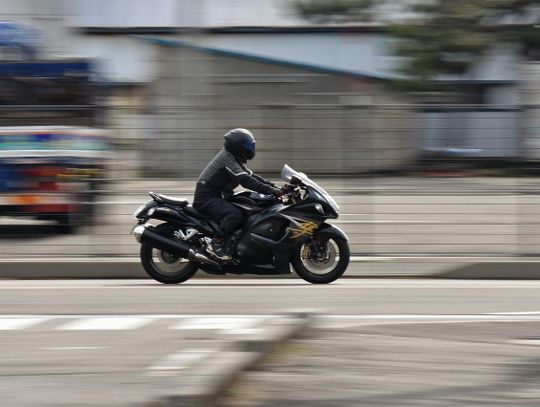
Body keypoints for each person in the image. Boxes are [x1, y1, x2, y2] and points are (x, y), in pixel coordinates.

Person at [193, 128, 282, 260]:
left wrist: (274, 187)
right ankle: (216, 243)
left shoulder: (235, 159)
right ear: (238, 147)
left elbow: (253, 176)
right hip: (207, 197)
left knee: (248, 206)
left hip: (218, 195)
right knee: (235, 214)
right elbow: (246, 181)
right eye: (248, 145)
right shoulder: (227, 159)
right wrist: (271, 191)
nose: (251, 148)